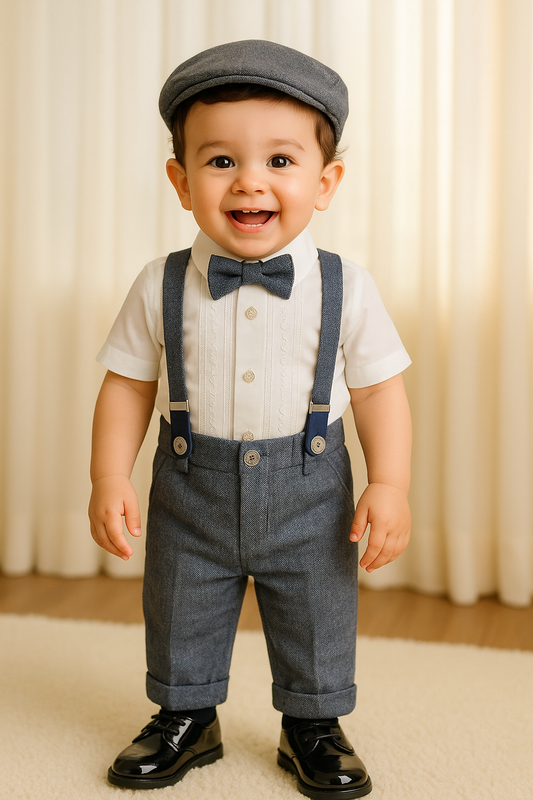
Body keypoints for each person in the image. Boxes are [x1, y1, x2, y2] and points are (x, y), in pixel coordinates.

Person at [88, 39, 412, 799]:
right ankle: (185, 713)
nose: (249, 183)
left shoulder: (347, 286)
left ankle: (313, 724)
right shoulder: (158, 282)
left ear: (325, 181)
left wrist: (389, 483)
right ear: (180, 179)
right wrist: (108, 473)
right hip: (189, 486)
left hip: (310, 491)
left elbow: (378, 392)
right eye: (221, 161)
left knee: (315, 609)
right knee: (179, 599)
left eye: (279, 161)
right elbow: (128, 385)